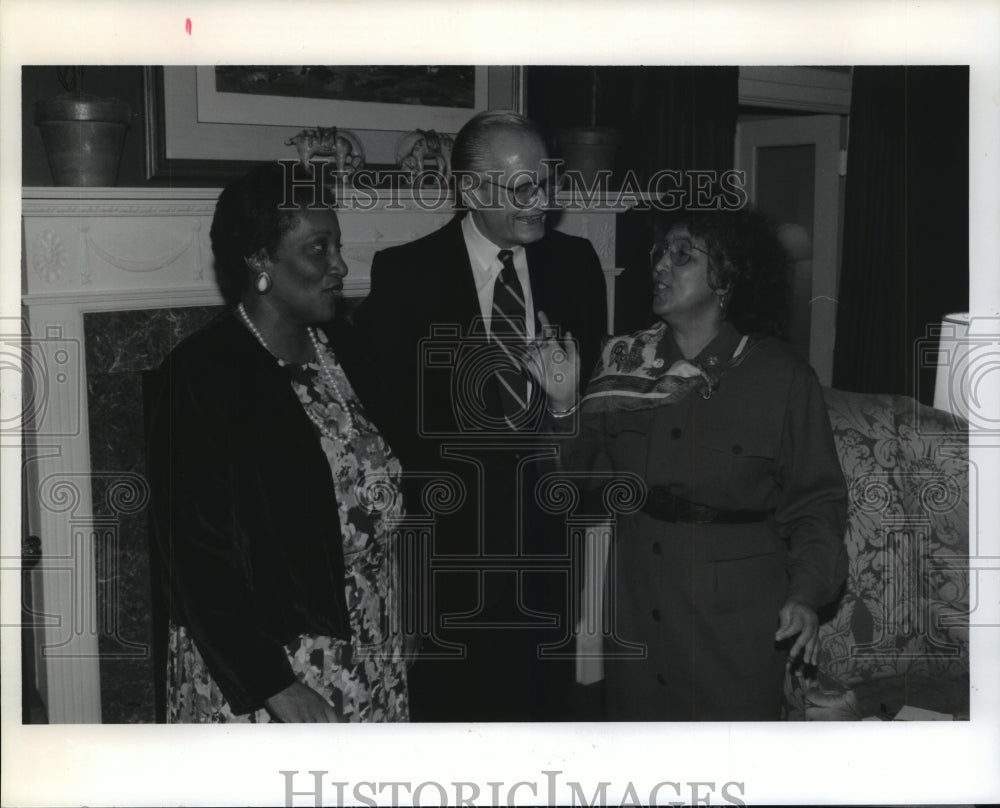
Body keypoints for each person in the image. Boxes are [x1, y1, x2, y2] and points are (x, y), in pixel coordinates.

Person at [536, 204, 848, 720]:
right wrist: (563, 404)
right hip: (637, 609)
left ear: (725, 276)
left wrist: (807, 595)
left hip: (733, 626)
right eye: (659, 253)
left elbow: (817, 503)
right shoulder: (624, 362)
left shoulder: (779, 376)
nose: (660, 265)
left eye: (682, 256)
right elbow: (571, 481)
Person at [353, 110, 607, 721]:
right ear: (470, 190)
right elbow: (392, 428)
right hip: (448, 563)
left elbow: (588, 411)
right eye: (522, 187)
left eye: (545, 181)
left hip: (545, 552)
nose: (540, 200)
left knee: (544, 720)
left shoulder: (576, 266)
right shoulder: (405, 275)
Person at [146, 164, 408, 723]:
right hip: (269, 665)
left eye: (337, 245)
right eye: (318, 248)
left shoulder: (349, 351)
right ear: (260, 259)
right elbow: (194, 559)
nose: (339, 264)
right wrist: (277, 685)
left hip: (368, 637)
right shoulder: (198, 378)